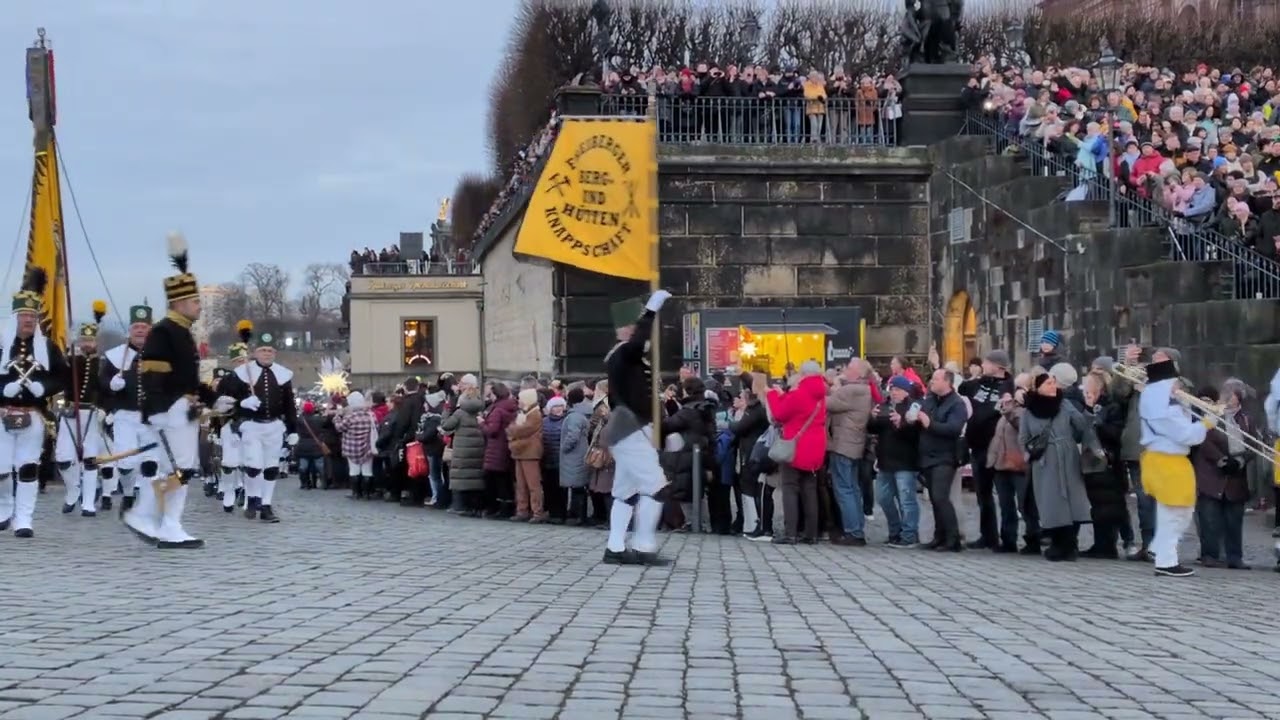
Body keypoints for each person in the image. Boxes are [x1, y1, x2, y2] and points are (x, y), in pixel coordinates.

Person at [124, 233, 234, 548]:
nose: (200, 306)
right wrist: (161, 412)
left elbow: (187, 379)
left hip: (180, 411)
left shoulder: (181, 333)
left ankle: (155, 519)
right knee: (180, 470)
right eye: (196, 301)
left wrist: (214, 398)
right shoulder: (163, 332)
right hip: (169, 413)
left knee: (179, 470)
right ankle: (161, 521)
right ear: (179, 302)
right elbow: (152, 378)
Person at [602, 290, 672, 565]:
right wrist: (651, 311)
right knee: (657, 488)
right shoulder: (626, 353)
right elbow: (638, 342)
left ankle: (616, 547)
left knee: (625, 493)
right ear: (627, 329)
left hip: (629, 430)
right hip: (632, 429)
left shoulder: (625, 357)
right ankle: (644, 546)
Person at [0, 268, 68, 537]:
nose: (28, 320)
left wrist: (44, 387)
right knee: (2, 469)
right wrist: (5, 386)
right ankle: (4, 509)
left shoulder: (48, 348)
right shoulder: (2, 344)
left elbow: (61, 377)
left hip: (33, 415)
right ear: (15, 317)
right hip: (3, 413)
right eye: (24, 315)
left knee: (28, 467)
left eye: (32, 315)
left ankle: (24, 518)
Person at [1138, 349, 1209, 578]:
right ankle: (1166, 561)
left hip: (1169, 460)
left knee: (1181, 510)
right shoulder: (1162, 404)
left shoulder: (1163, 398)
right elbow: (1187, 435)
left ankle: (1159, 550)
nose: (1177, 388)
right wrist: (1207, 423)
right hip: (1167, 460)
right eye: (1174, 384)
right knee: (1174, 513)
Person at [233, 328, 298, 522]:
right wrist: (243, 403)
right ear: (255, 353)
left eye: (270, 351)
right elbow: (229, 399)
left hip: (274, 426)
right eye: (263, 350)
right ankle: (252, 497)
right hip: (252, 425)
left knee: (271, 468)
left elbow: (289, 404)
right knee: (253, 466)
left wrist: (293, 429)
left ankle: (266, 505)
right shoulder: (243, 373)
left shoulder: (283, 375)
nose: (267, 354)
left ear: (275, 354)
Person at [99, 302, 154, 515]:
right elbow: (102, 382)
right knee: (126, 462)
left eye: (144, 327)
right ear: (130, 330)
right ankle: (129, 492)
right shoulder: (115, 355)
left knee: (150, 463)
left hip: (151, 417)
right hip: (125, 414)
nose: (140, 330)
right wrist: (112, 385)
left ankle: (148, 503)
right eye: (136, 327)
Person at [56, 300, 107, 517]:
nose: (88, 344)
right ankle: (73, 490)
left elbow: (105, 388)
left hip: (92, 413)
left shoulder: (102, 363)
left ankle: (88, 503)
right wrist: (68, 357)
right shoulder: (71, 360)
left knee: (90, 459)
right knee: (64, 459)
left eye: (91, 340)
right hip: (70, 412)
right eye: (84, 339)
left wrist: (105, 407)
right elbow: (61, 378)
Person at [916, 368, 968, 551]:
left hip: (945, 456)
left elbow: (953, 428)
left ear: (947, 382)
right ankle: (939, 536)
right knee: (934, 498)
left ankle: (953, 539)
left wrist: (930, 424)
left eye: (936, 379)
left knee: (941, 496)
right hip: (927, 455)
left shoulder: (956, 403)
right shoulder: (929, 400)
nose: (932, 382)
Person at [212, 322, 253, 512]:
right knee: (229, 463)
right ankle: (228, 491)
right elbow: (216, 404)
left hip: (251, 425)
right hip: (229, 423)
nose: (241, 364)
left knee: (248, 462)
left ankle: (245, 492)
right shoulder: (227, 380)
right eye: (237, 361)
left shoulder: (256, 378)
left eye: (243, 360)